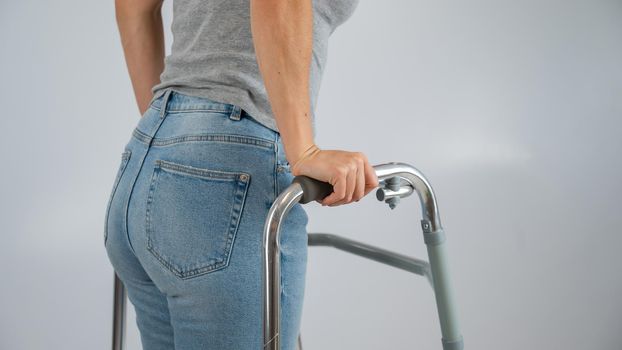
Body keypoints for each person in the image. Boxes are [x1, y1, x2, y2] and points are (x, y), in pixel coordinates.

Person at [105, 0, 379, 349]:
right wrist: (305, 152)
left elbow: (133, 6)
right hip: (227, 172)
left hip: (148, 156)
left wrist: (180, 144)